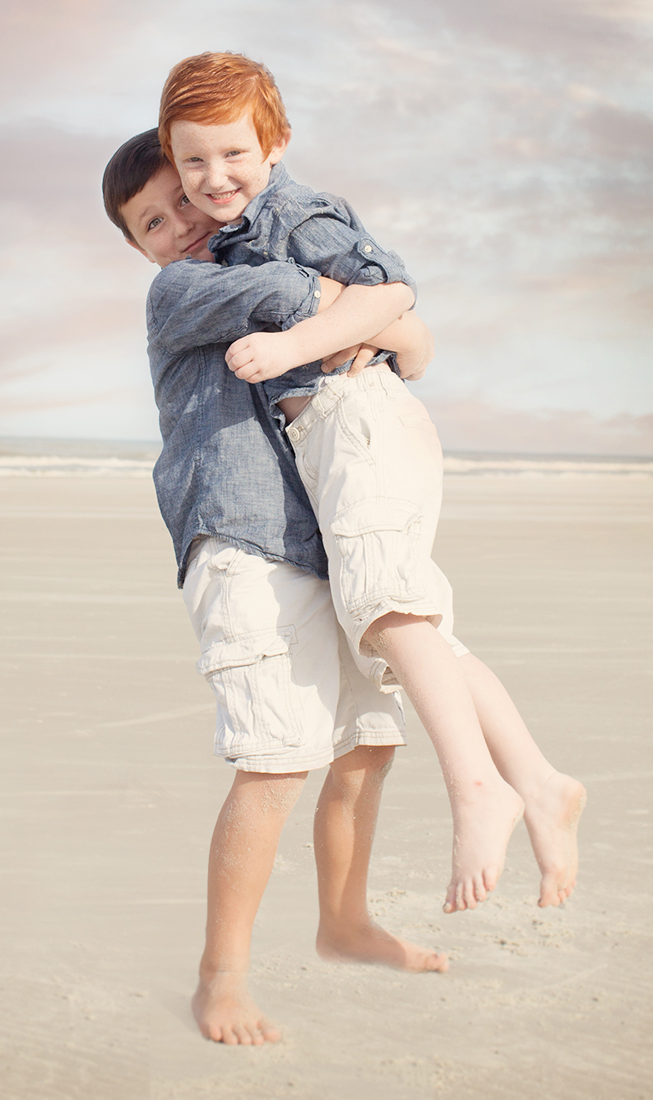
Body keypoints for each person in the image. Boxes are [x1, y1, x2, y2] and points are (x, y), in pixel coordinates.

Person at [159, 52, 587, 916]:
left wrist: (289, 347)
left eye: (233, 154)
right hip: (342, 432)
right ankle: (538, 782)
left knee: (390, 613)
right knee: (411, 627)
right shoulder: (224, 252)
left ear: (275, 144)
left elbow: (389, 292)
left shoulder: (296, 215)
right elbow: (402, 327)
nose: (213, 178)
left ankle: (481, 791)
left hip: (354, 418)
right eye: (193, 161)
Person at [102, 130, 448, 1049]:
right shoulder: (181, 289)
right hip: (241, 540)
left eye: (183, 199)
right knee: (275, 758)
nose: (180, 223)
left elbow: (393, 351)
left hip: (314, 536)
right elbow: (337, 305)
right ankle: (221, 976)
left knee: (369, 739)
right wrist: (393, 316)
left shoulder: (246, 262)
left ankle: (345, 921)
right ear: (135, 248)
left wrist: (393, 330)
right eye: (151, 222)